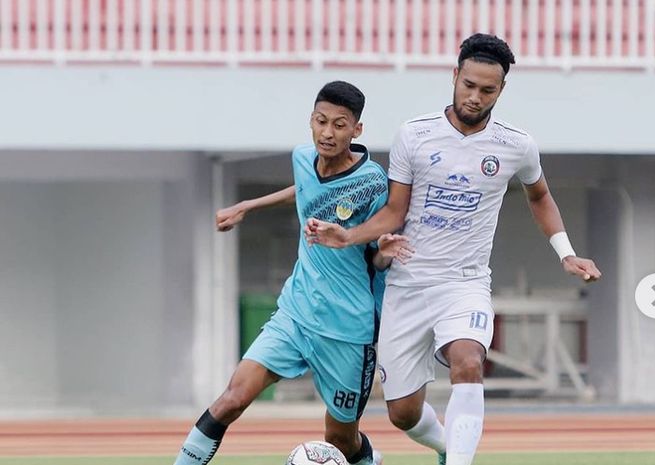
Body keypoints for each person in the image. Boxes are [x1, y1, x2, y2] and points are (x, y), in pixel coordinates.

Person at [305, 34, 602, 465]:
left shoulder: (516, 145)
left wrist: (566, 252)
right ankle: (447, 447)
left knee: (468, 360)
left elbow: (539, 196)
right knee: (402, 414)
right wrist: (350, 236)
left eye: (487, 90)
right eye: (469, 85)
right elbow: (394, 210)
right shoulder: (415, 135)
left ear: (501, 91)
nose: (475, 97)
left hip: (464, 283)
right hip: (406, 285)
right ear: (455, 76)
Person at [172, 81, 406, 465]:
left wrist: (378, 251)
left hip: (348, 328)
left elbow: (379, 258)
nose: (328, 133)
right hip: (295, 314)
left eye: (340, 125)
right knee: (233, 398)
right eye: (321, 121)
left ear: (357, 130)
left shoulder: (372, 183)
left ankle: (368, 459)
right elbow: (306, 188)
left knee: (341, 440)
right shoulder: (302, 158)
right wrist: (248, 205)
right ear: (311, 121)